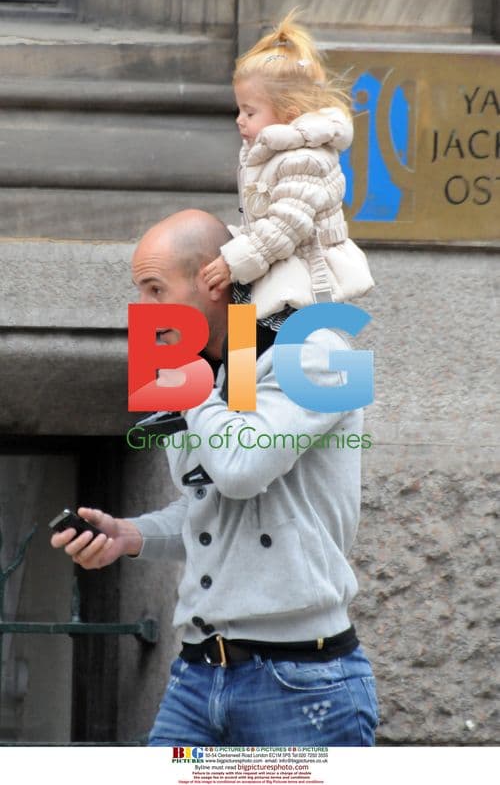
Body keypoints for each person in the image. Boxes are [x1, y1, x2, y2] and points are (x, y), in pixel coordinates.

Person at [51, 209, 378, 746]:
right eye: (138, 292)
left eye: (155, 289)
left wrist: (190, 381)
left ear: (214, 280)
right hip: (198, 677)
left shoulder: (315, 352)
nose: (142, 310)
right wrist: (131, 536)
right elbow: (207, 503)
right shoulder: (203, 370)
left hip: (300, 687)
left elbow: (241, 470)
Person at [202, 11, 374, 325]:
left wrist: (235, 259)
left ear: (288, 114)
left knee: (268, 351)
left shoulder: (303, 158)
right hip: (271, 271)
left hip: (301, 286)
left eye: (249, 112)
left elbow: (287, 224)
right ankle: (238, 373)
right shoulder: (268, 152)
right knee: (239, 350)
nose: (239, 120)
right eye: (239, 109)